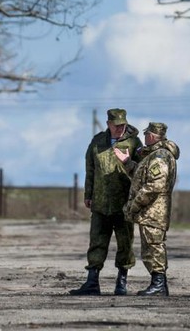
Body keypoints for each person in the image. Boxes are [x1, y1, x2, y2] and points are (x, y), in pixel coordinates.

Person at [69, 108, 143, 296]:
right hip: (101, 203)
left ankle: (122, 282)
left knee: (125, 243)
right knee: (97, 242)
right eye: (117, 125)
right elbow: (90, 169)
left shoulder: (134, 143)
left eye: (123, 125)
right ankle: (92, 282)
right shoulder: (97, 142)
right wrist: (88, 194)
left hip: (124, 204)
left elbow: (141, 172)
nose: (120, 128)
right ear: (108, 124)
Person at [114, 122, 180, 296]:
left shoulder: (160, 156)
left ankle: (158, 284)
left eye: (146, 134)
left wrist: (134, 205)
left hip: (154, 211)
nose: (144, 138)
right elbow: (141, 177)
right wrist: (127, 162)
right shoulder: (154, 155)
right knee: (151, 246)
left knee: (154, 246)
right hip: (151, 211)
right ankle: (159, 284)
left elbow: (154, 186)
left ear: (151, 135)